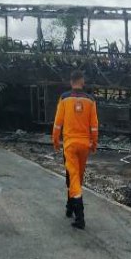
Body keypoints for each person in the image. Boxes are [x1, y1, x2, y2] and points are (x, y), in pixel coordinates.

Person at [52, 70, 99, 229]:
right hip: (84, 145)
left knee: (72, 177)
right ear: (82, 82)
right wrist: (94, 143)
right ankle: (69, 207)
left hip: (70, 144)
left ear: (71, 82)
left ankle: (80, 218)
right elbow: (94, 126)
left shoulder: (64, 98)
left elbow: (58, 122)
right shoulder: (91, 101)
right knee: (77, 176)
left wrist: (55, 140)